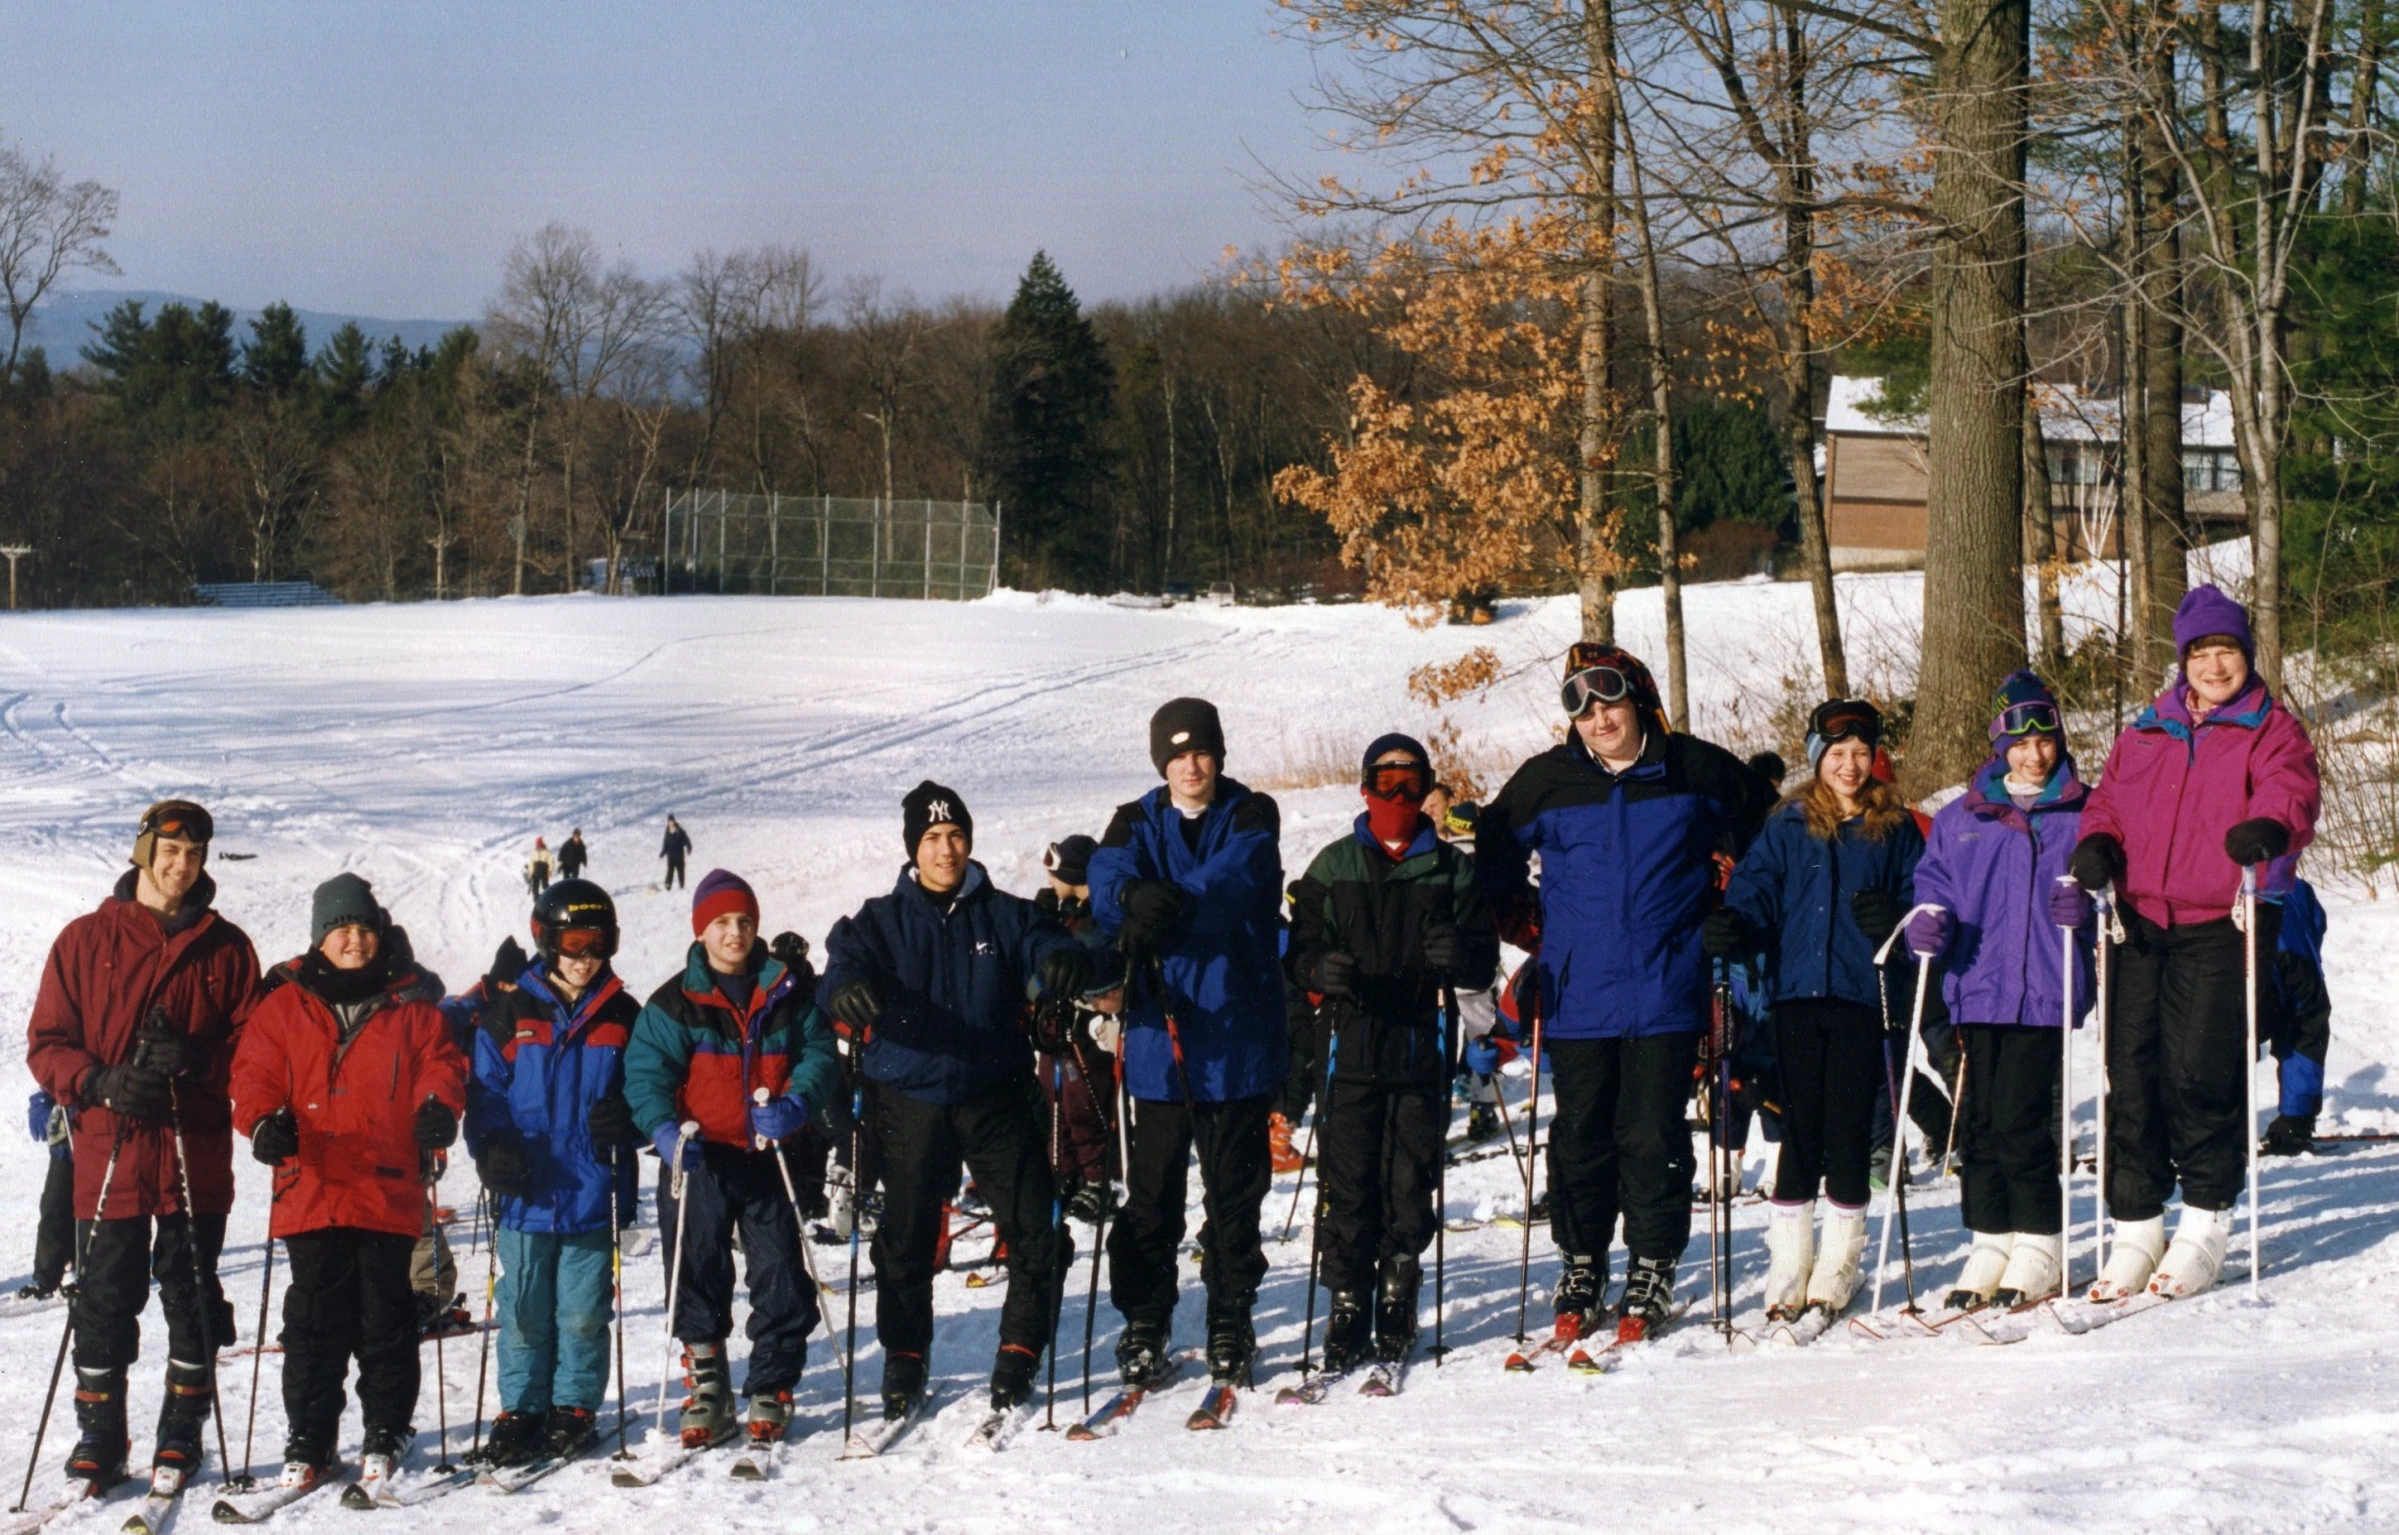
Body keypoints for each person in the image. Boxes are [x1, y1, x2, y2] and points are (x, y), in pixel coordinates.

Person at [1476, 647, 1775, 1345]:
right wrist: (1528, 925)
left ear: (1637, 699)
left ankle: (1650, 1262)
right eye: (1578, 706)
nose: (1596, 717)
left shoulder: (1694, 769)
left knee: (1650, 1132)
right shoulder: (1547, 781)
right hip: (1579, 991)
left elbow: (1766, 840)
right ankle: (1581, 1262)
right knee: (1579, 1134)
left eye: (1607, 701)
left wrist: (1734, 907)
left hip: (1669, 985)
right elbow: (1490, 853)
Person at [2072, 584, 2321, 1300]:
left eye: (2227, 651)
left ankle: (2205, 1220)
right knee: (2132, 1071)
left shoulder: (2271, 728)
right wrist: (2095, 841)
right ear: (2182, 660)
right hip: (2138, 922)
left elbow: (2290, 790)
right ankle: (2137, 1225)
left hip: (2225, 918)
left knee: (2199, 1072)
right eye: (2201, 652)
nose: (2215, 665)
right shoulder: (2146, 728)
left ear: (2246, 654)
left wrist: (2269, 828)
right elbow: (2109, 801)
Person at [820, 783, 1089, 1421]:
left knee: (1037, 1228)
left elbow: (1049, 941)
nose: (947, 851)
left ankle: (1020, 1348)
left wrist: (1061, 963)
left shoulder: (1005, 913)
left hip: (993, 1092)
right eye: (934, 840)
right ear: (914, 848)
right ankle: (905, 1358)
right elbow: (840, 966)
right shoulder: (879, 920)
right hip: (909, 1097)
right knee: (907, 1241)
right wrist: (846, 991)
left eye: (957, 837)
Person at [27, 800, 259, 1487]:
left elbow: (254, 1052)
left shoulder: (227, 948)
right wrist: (97, 1080)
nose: (180, 864)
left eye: (193, 853)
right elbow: (46, 1043)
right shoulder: (84, 939)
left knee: (191, 1291)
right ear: (143, 850)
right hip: (112, 1149)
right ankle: (101, 1433)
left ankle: (181, 1429)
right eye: (169, 849)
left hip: (195, 1150)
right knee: (103, 1295)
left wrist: (194, 1057)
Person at [229, 874, 465, 1490]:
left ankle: (387, 1428)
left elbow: (439, 1065)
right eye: (341, 930)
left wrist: (438, 1105)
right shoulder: (283, 1005)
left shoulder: (412, 1008)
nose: (354, 940)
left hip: (386, 1188)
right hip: (311, 1187)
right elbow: (253, 1074)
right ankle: (310, 1434)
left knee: (385, 1316)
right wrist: (260, 1124)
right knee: (313, 1321)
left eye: (363, 928)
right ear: (320, 938)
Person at [1088, 697, 1287, 1389]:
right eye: (1177, 755)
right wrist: (1127, 898)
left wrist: (1162, 900)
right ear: (1161, 762)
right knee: (1151, 1197)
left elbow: (1239, 877)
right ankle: (1146, 1314)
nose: (1190, 765)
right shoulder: (1136, 816)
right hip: (1158, 1042)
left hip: (1233, 1039)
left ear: (1217, 755)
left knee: (1233, 1194)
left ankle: (1230, 1311)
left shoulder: (1250, 811)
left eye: (1200, 751)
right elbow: (1105, 876)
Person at [1286, 733, 1499, 1370]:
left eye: (1411, 785)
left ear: (1427, 790)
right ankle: (1348, 1297)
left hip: (1420, 1043)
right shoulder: (1332, 866)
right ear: (1365, 789)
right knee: (1347, 1178)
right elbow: (1296, 953)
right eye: (1387, 784)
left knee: (1410, 1176)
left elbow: (1483, 957)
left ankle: (1397, 1289)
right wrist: (1320, 969)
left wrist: (1459, 957)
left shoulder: (1452, 870)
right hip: (1348, 1046)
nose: (1399, 796)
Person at [1709, 698, 1923, 1324]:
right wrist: (1735, 925)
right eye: (1837, 754)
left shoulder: (1896, 826)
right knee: (1799, 1126)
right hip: (1798, 995)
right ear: (1816, 758)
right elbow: (1756, 893)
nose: (1851, 765)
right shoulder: (1787, 824)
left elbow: (1923, 901)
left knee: (1850, 1126)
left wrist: (1900, 923)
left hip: (1863, 993)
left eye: (1861, 753)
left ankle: (1839, 1260)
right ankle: (1790, 1259)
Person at [623, 870, 838, 1448]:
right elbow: (645, 1073)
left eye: (743, 921)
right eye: (721, 922)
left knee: (779, 1272)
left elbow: (818, 1053)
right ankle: (708, 1386)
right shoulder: (675, 1002)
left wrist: (797, 1102)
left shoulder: (786, 991)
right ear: (702, 930)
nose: (734, 933)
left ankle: (773, 1382)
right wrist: (664, 1130)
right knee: (695, 1267)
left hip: (768, 1154)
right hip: (700, 1159)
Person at [1903, 672, 2093, 1310]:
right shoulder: (1964, 817)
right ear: (1998, 745)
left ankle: (2038, 1239)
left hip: (2043, 986)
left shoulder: (2083, 810)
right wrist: (1928, 920)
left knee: (2018, 1120)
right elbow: (1935, 885)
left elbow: (2111, 882)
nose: (2034, 754)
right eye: (2020, 741)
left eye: (2045, 739)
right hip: (1977, 985)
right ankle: (1990, 1237)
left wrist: (2086, 906)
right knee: (1977, 1123)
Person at [458, 879, 643, 1467]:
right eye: (574, 941)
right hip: (525, 1192)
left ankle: (573, 1406)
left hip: (591, 1193)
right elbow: (484, 1092)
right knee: (522, 1307)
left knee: (584, 1309)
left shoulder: (622, 1015)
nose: (586, 956)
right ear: (545, 939)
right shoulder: (510, 1013)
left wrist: (632, 1120)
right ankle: (522, 1408)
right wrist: (491, 1145)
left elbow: (649, 1090)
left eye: (599, 943)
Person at [1033, 835, 1120, 1222]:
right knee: (1054, 1101)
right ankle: (1066, 1173)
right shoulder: (1065, 914)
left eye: (1056, 870)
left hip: (1087, 1028)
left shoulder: (1098, 917)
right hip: (1055, 1026)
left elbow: (1100, 969)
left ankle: (1100, 1179)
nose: (1049, 878)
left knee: (1083, 1102)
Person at [2261, 877, 2332, 1156]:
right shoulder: (2296, 885)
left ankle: (2215, 1128)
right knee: (2304, 1028)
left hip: (2234, 959)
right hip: (2293, 959)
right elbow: (2317, 924)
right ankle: (2295, 1121)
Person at [22, 1090, 74, 1300]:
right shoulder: (68, 1057)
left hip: (98, 1145)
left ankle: (85, 1271)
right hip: (65, 1150)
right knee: (54, 1208)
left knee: (91, 1211)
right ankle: (46, 1277)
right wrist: (42, 1110)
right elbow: (48, 1083)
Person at [660, 817, 692, 891]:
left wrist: (689, 848)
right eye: (669, 822)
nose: (671, 823)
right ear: (668, 823)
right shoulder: (667, 832)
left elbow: (687, 840)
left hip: (679, 855)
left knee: (681, 871)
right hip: (670, 856)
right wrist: (662, 853)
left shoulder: (680, 831)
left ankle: (682, 886)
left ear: (674, 822)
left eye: (672, 821)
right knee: (670, 871)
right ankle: (668, 886)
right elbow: (666, 844)